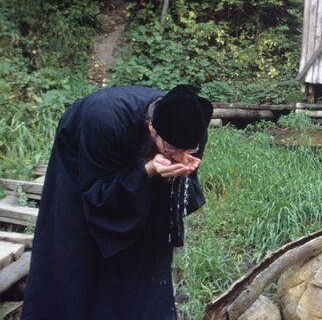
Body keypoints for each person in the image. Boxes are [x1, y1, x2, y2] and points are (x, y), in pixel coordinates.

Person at [21, 84, 214, 320]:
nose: (181, 157)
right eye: (173, 150)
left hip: (135, 153)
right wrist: (148, 169)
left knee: (148, 241)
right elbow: (97, 194)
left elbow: (178, 189)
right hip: (84, 159)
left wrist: (177, 170)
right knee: (73, 243)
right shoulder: (102, 119)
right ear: (152, 127)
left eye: (189, 150)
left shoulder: (192, 126)